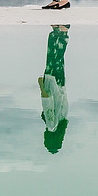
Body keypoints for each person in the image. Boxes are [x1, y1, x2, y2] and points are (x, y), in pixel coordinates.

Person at [38, 24, 70, 153]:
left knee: (59, 59)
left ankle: (62, 33)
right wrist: (40, 85)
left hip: (61, 85)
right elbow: (47, 102)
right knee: (52, 57)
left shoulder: (63, 120)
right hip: (52, 84)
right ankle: (59, 32)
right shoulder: (51, 126)